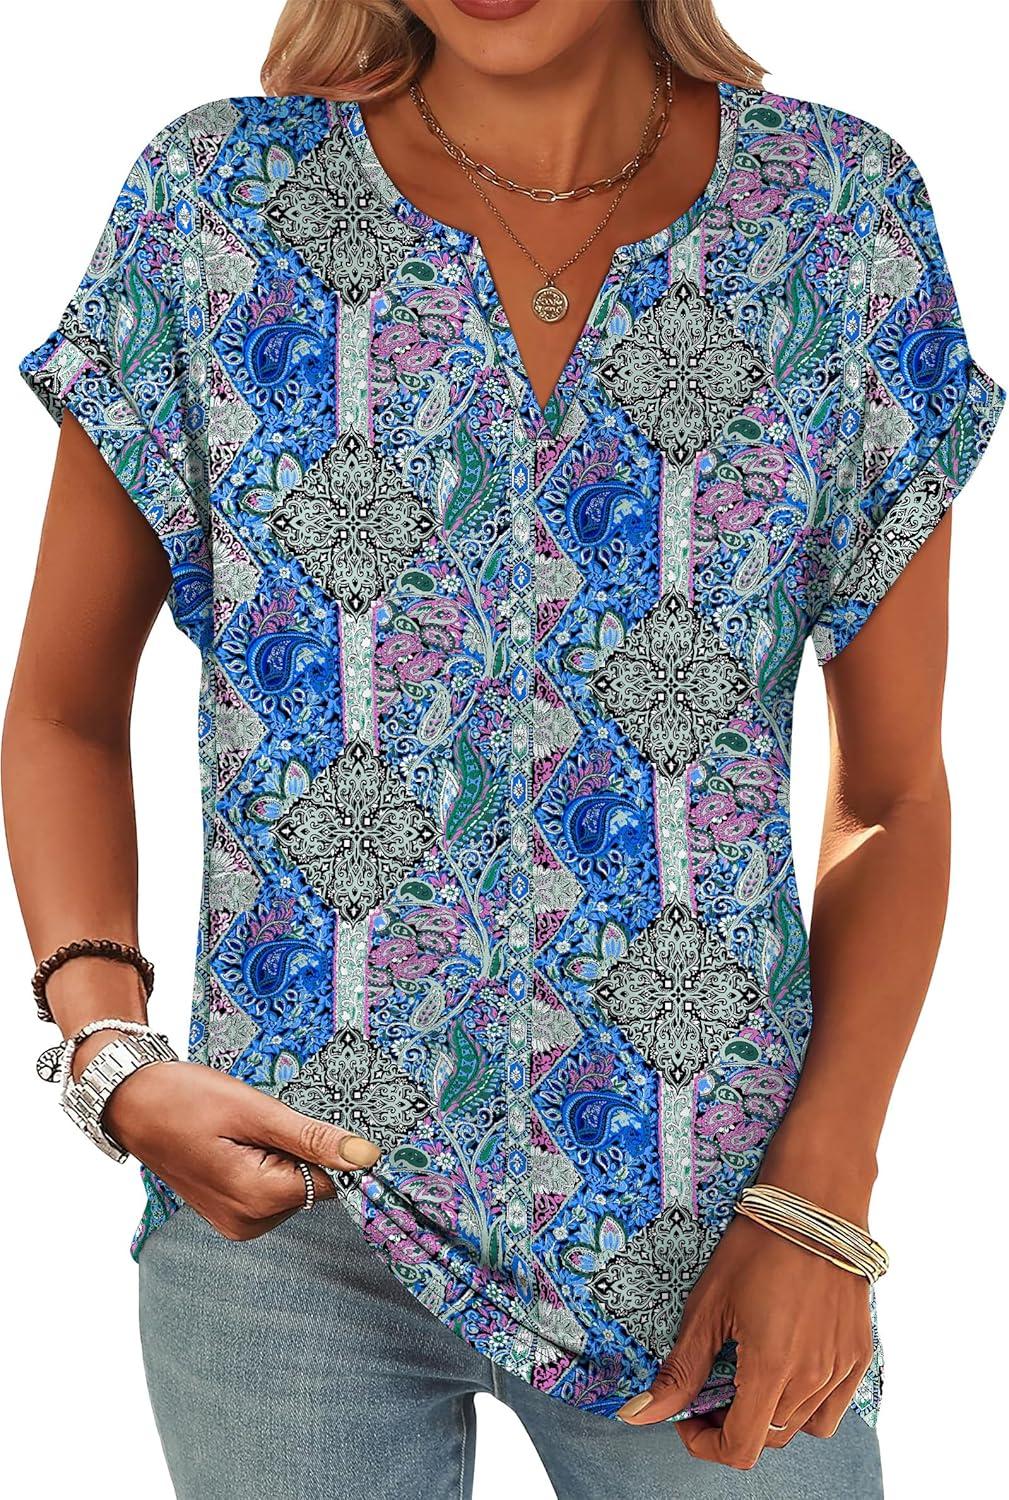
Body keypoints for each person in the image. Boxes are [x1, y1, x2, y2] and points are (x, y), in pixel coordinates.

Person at [5, 0, 1003, 1496]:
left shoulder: (834, 217)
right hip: (286, 1221)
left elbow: (896, 793)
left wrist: (819, 1203)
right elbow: (63, 710)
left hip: (710, 1238)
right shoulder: (215, 204)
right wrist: (112, 1057)